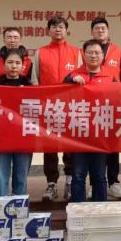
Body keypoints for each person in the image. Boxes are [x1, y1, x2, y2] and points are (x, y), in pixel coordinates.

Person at [32, 16, 82, 202]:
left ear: (66, 30)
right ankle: (51, 184)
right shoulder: (40, 53)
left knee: (70, 146)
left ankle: (70, 181)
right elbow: (35, 80)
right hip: (49, 108)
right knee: (50, 147)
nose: (58, 30)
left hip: (70, 108)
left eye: (61, 26)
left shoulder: (76, 52)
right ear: (48, 31)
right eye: (54, 27)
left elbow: (81, 79)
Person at [65, 40, 116, 202]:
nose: (93, 56)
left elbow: (118, 103)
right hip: (79, 135)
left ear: (103, 56)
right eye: (90, 52)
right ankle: (78, 209)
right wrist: (71, 82)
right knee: (78, 174)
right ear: (83, 54)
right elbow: (60, 97)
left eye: (97, 53)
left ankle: (100, 209)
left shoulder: (110, 78)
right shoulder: (73, 75)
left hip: (101, 136)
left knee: (99, 175)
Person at [90, 17, 121, 200]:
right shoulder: (87, 51)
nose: (100, 31)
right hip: (92, 107)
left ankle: (113, 182)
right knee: (94, 146)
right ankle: (94, 184)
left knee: (113, 145)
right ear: (92, 32)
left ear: (108, 31)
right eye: (97, 28)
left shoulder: (117, 51)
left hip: (112, 106)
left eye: (103, 28)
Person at [0, 49, 33, 196]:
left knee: (21, 177)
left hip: (24, 138)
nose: (14, 66)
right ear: (3, 64)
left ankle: (19, 207)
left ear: (23, 66)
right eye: (10, 62)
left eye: (17, 63)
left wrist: (26, 95)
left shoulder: (31, 88)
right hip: (0, 138)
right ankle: (0, 207)